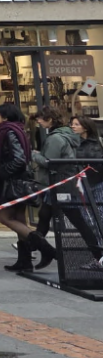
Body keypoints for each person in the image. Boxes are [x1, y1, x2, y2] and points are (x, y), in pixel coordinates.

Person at [0, 103, 39, 272]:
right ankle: (25, 261)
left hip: (13, 183)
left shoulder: (8, 131)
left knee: (4, 217)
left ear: (5, 116)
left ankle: (45, 247)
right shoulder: (18, 129)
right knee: (19, 218)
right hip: (20, 182)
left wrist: (2, 171)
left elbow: (19, 159)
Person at [31, 104, 79, 270]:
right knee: (44, 215)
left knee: (76, 219)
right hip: (63, 183)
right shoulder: (67, 135)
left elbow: (50, 162)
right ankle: (41, 250)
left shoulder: (55, 138)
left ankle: (97, 253)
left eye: (40, 118)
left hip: (59, 184)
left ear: (49, 119)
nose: (38, 121)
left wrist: (34, 155)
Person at [70, 114, 103, 271]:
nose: (73, 126)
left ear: (85, 126)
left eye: (76, 124)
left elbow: (95, 168)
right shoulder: (83, 143)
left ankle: (99, 257)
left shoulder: (92, 146)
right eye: (73, 124)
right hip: (87, 185)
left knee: (96, 220)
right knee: (93, 220)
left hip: (92, 187)